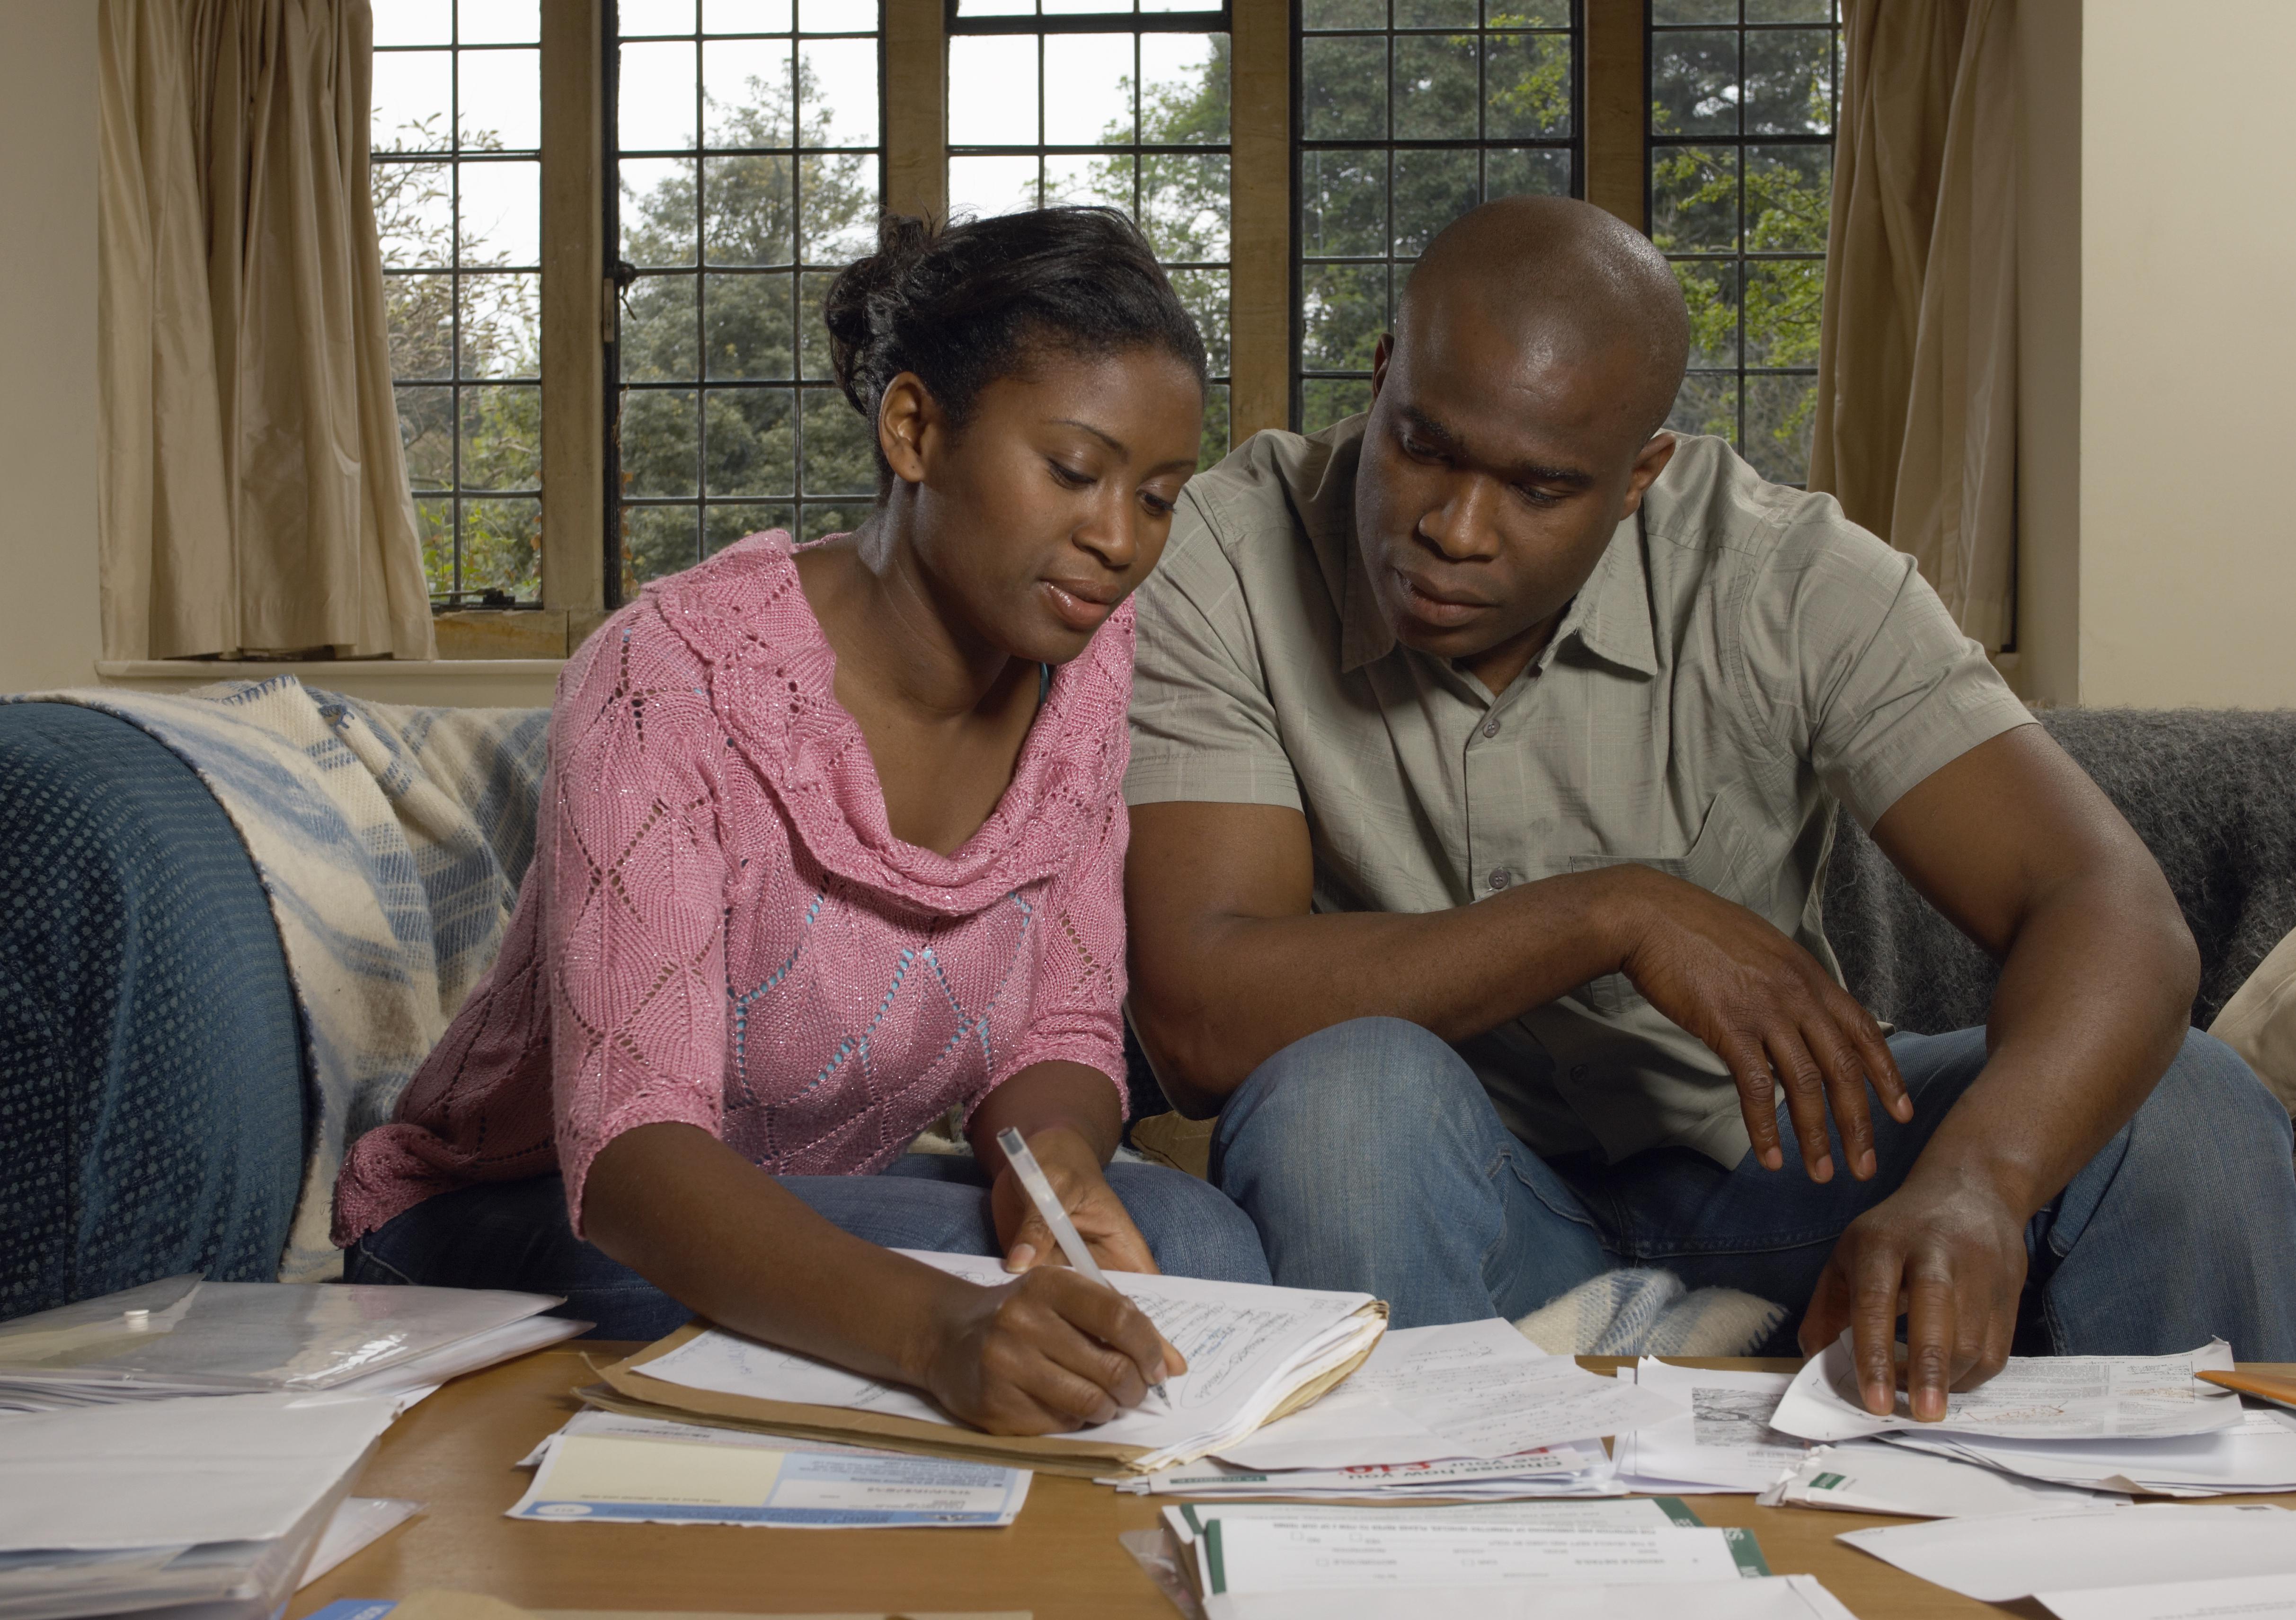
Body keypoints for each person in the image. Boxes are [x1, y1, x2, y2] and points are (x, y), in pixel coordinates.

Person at [1122, 195, 2296, 1419]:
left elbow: (2107, 907)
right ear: (1380, 378)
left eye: (1538, 489)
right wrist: (1612, 915)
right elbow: (1203, 1010)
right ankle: (1409, 1566)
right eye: (1422, 446)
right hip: (1463, 1199)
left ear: (1639, 476)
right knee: (1337, 1099)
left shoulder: (1784, 575)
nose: (1453, 529)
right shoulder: (1229, 556)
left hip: (1805, 1186)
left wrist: (1979, 1182)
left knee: (2186, 1099)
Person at [333, 207, 1270, 1437]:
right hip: (522, 1220)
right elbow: (629, 1155)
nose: (1116, 540)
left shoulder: (1086, 676)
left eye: (1156, 498)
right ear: (915, 429)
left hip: (835, 1199)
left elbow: (1062, 1025)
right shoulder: (666, 677)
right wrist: (938, 1331)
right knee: (1131, 1271)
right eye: (1074, 471)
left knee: (1177, 1239)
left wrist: (1049, 1175)